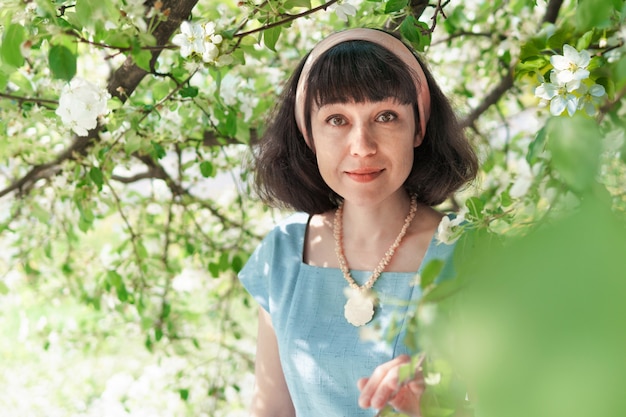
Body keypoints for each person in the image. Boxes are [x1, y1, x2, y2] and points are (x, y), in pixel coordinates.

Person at [238, 27, 478, 417]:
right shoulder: (282, 253)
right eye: (336, 120)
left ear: (418, 127)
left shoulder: (469, 251)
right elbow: (271, 410)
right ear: (308, 134)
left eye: (386, 116)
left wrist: (431, 405)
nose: (362, 146)